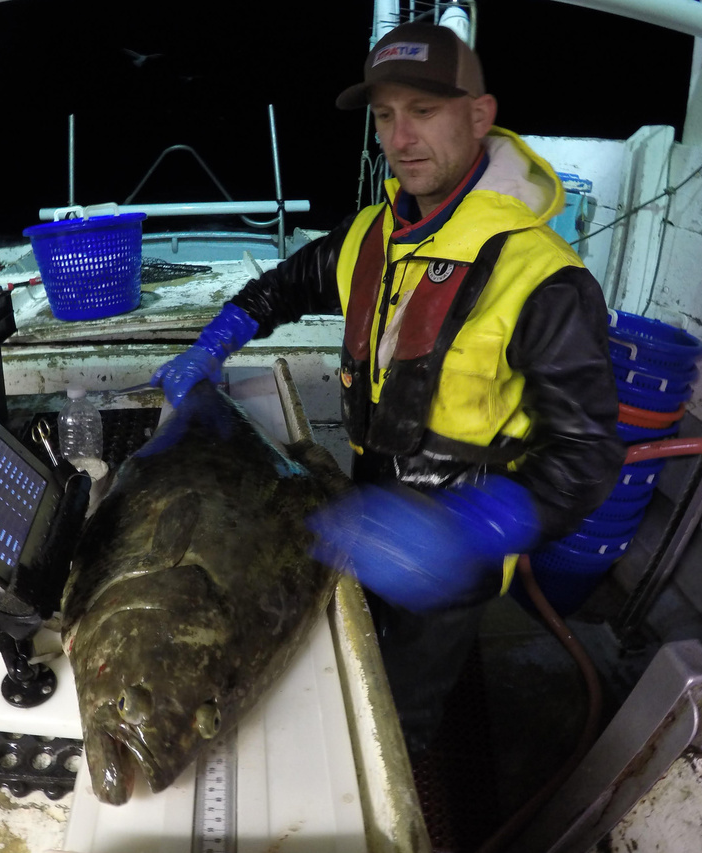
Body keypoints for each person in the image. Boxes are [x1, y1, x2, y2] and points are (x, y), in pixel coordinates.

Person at [150, 22, 623, 755]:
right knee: (332, 671)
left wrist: (465, 530)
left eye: (424, 111)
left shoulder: (545, 277)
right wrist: (214, 343)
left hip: (458, 551)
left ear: (479, 114)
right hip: (363, 504)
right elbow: (278, 287)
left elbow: (588, 456)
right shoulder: (369, 235)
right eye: (384, 116)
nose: (400, 139)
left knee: (397, 724)